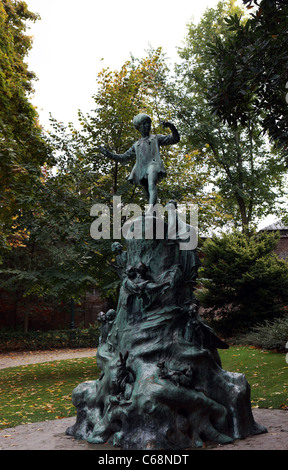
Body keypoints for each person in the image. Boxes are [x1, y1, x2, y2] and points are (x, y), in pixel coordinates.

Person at [98, 113, 180, 205]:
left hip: (153, 165)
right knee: (148, 193)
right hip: (142, 170)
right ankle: (153, 211)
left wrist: (171, 126)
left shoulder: (156, 138)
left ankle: (150, 211)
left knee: (151, 185)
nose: (148, 125)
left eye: (149, 123)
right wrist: (108, 154)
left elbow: (175, 139)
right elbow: (123, 157)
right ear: (138, 126)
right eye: (144, 123)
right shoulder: (136, 145)